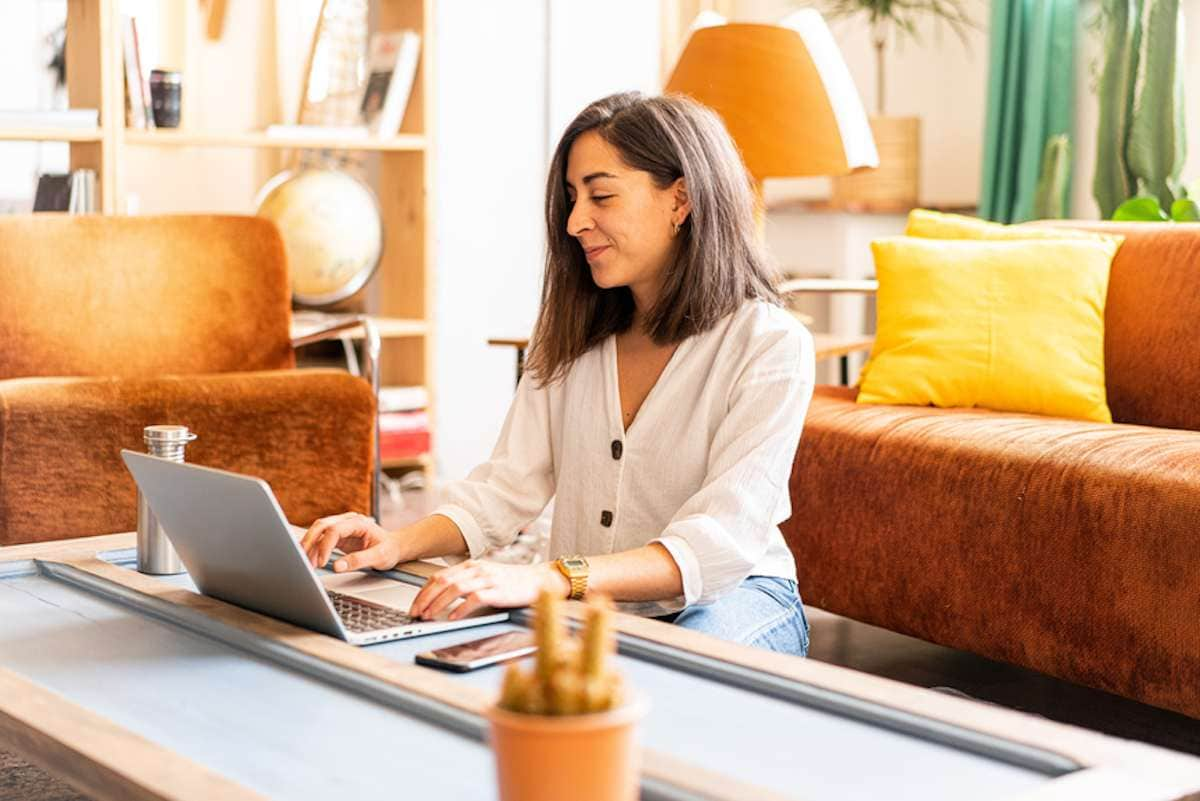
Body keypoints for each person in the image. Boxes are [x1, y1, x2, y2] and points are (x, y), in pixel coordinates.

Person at [301, 91, 815, 655]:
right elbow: (506, 486)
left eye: (602, 196)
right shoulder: (570, 331)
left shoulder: (769, 344)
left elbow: (719, 544)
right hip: (588, 602)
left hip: (729, 597)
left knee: (672, 686)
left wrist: (551, 577)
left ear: (682, 200)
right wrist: (396, 544)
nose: (574, 222)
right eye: (572, 198)